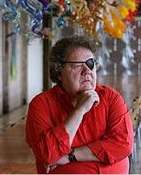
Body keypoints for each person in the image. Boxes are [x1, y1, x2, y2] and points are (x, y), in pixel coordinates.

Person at [25, 35, 133, 174]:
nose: (87, 71)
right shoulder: (41, 104)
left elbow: (123, 144)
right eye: (77, 65)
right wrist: (79, 110)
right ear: (59, 72)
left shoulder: (110, 97)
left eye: (90, 63)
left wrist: (70, 156)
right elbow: (48, 153)